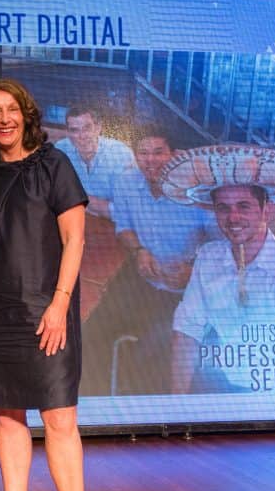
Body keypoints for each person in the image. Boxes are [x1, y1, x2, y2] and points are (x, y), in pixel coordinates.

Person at [0, 78, 105, 491]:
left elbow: (75, 240)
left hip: (49, 309)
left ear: (26, 114)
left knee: (61, 421)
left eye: (11, 109)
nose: (4, 118)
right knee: (7, 418)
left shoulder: (54, 164)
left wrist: (59, 303)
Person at [80, 127, 218, 395]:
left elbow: (219, 243)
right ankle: (90, 406)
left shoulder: (199, 193)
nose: (150, 160)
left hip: (187, 287)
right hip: (141, 277)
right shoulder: (127, 183)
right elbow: (124, 227)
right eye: (143, 153)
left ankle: (138, 414)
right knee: (90, 335)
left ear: (175, 155)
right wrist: (139, 251)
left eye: (158, 152)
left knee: (151, 350)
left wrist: (193, 270)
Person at [161, 145, 275, 393]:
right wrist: (178, 406)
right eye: (223, 208)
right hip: (222, 387)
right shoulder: (208, 257)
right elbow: (187, 329)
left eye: (244, 206)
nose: (233, 217)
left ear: (266, 210)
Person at [54, 104, 136, 219]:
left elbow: (125, 211)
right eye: (74, 130)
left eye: (87, 128)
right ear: (68, 133)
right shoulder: (61, 149)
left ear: (98, 128)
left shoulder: (120, 154)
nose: (81, 136)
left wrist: (76, 197)